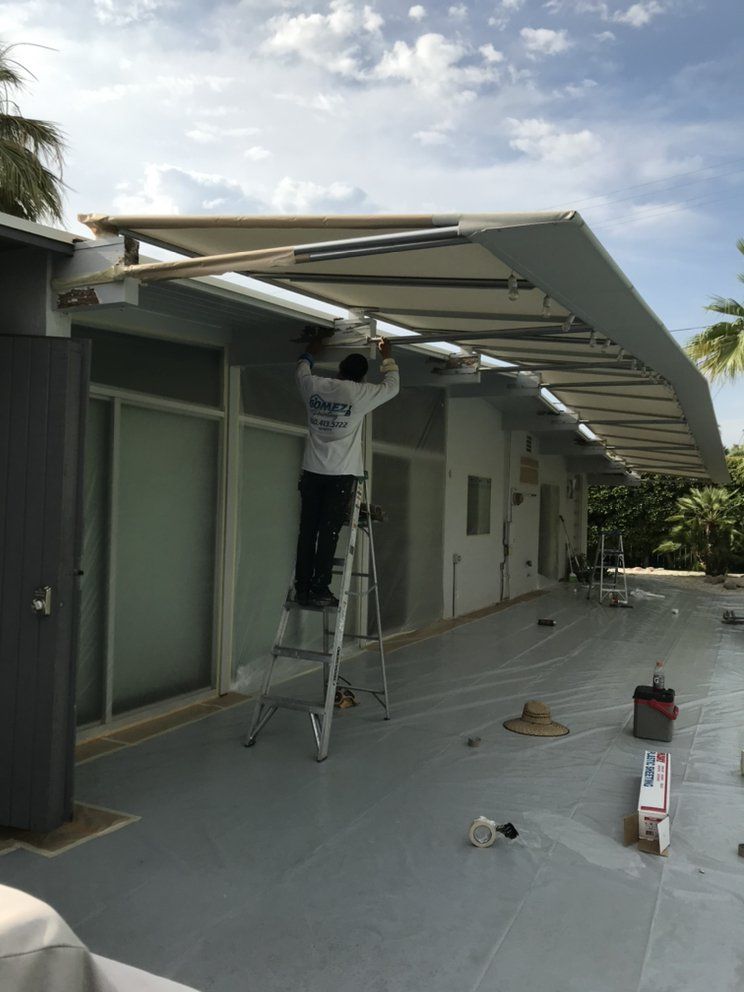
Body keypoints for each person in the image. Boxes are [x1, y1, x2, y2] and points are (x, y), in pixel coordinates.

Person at [294, 328, 400, 608]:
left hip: (312, 471)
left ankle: (302, 588)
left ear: (340, 370)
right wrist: (386, 356)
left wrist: (313, 348)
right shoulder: (361, 393)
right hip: (339, 475)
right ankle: (320, 589)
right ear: (362, 376)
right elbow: (392, 386)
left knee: (307, 531)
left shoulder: (314, 386)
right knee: (328, 532)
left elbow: (302, 369)